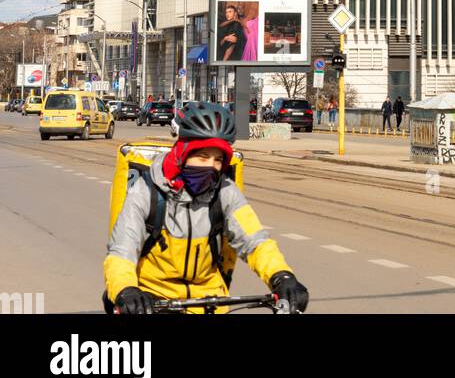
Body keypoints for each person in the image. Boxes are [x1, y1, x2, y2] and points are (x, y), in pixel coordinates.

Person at [104, 101, 309, 314]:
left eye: (218, 159)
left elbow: (256, 242)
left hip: (210, 301)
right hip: (152, 301)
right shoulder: (146, 192)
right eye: (202, 157)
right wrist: (126, 290)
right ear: (182, 154)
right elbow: (122, 252)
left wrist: (282, 276)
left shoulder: (225, 191)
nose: (211, 166)